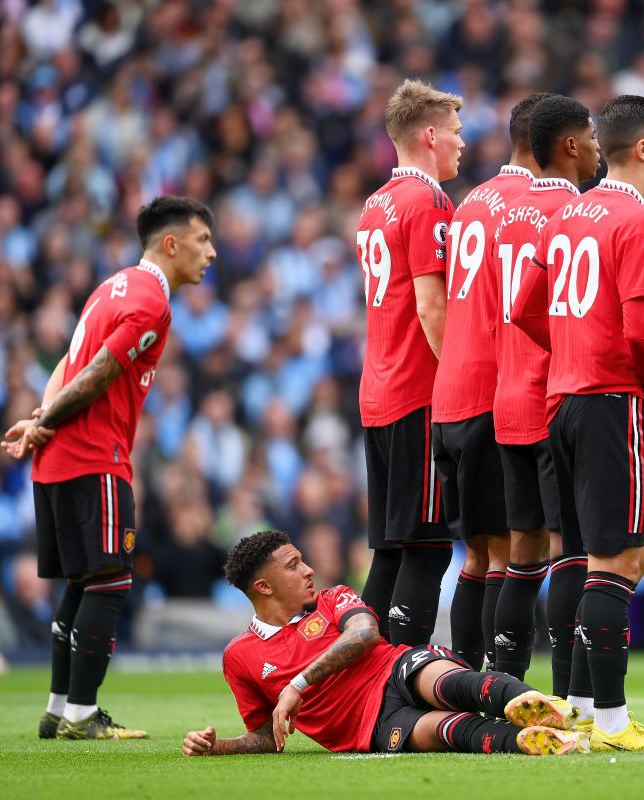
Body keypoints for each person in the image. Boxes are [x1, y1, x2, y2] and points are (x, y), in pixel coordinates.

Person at [2, 195, 216, 740]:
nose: (211, 252)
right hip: (94, 457)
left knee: (82, 583)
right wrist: (47, 418)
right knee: (112, 580)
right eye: (203, 240)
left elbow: (66, 363)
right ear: (172, 244)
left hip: (57, 458)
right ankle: (81, 714)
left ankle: (57, 710)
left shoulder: (112, 286)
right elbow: (97, 371)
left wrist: (39, 421)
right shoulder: (151, 302)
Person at [512, 95, 644, 752]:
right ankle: (614, 722)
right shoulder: (640, 221)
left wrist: (570, 351)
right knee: (622, 560)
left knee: (581, 557)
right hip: (612, 401)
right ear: (641, 148)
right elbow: (641, 326)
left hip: (561, 404)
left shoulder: (564, 215)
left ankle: (581, 709)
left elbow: (525, 309)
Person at [180, 529, 578, 757]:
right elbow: (268, 734)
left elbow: (366, 633)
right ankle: (540, 740)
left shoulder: (332, 598)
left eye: (303, 560)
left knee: (450, 683)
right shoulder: (240, 655)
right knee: (450, 731)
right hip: (371, 726)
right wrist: (219, 747)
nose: (309, 569)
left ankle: (555, 712)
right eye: (293, 565)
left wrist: (297, 684)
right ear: (264, 587)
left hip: (396, 671)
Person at [430, 92, 548, 671]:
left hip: (449, 395)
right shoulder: (533, 207)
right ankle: (499, 688)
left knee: (475, 556)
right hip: (492, 395)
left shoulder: (471, 201)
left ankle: (464, 678)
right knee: (510, 553)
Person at [490, 94, 600, 688]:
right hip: (550, 397)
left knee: (520, 553)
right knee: (569, 549)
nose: (598, 149)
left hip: (505, 396)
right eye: (593, 137)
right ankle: (567, 695)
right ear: (570, 145)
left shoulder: (508, 214)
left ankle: (502, 691)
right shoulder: (574, 213)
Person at [356, 80, 463, 647]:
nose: (461, 142)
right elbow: (431, 304)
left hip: (378, 392)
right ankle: (399, 675)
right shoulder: (429, 202)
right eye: (455, 131)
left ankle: (359, 674)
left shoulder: (375, 204)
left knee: (392, 548)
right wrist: (458, 379)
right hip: (418, 392)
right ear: (430, 136)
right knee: (427, 545)